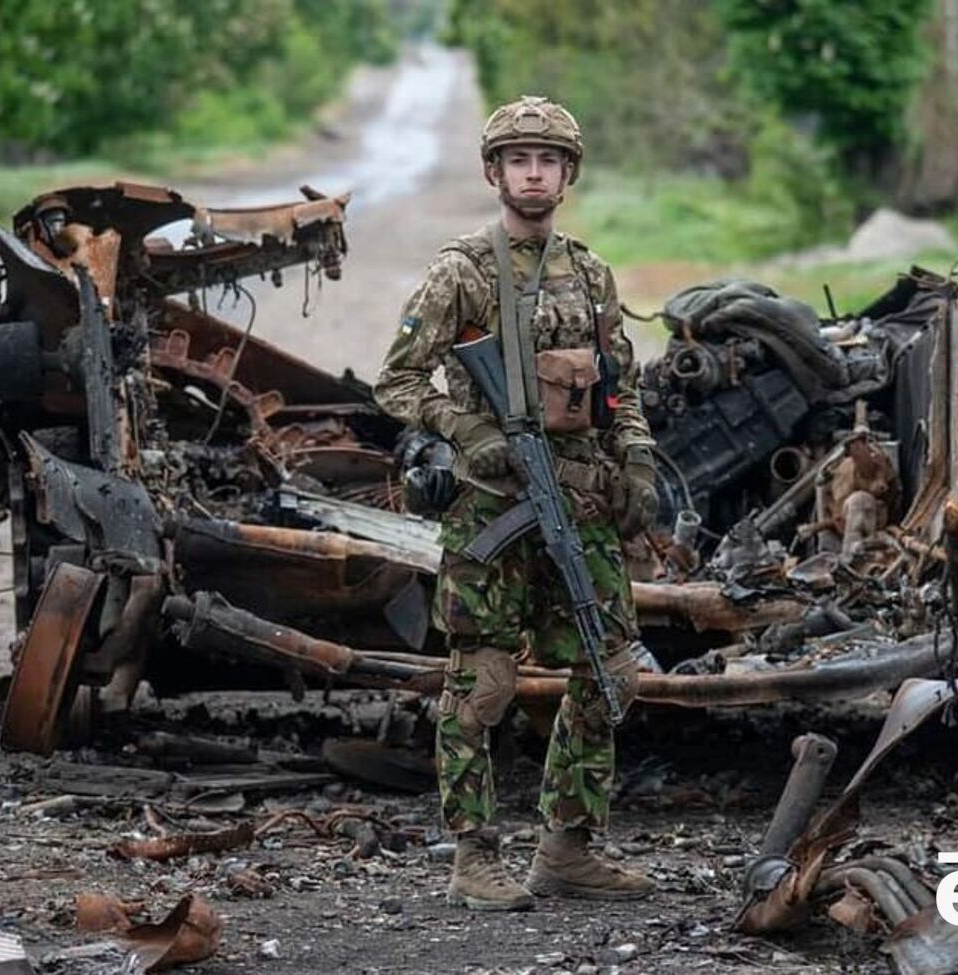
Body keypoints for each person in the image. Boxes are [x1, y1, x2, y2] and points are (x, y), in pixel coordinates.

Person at [373, 95, 658, 911]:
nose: (533, 173)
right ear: (495, 172)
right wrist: (466, 427)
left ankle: (567, 845)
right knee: (483, 681)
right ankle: (473, 854)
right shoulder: (461, 269)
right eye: (518, 160)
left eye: (548, 160)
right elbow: (396, 379)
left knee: (610, 674)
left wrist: (634, 459)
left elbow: (620, 387)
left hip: (582, 497)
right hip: (493, 504)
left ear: (567, 174)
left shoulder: (592, 272)